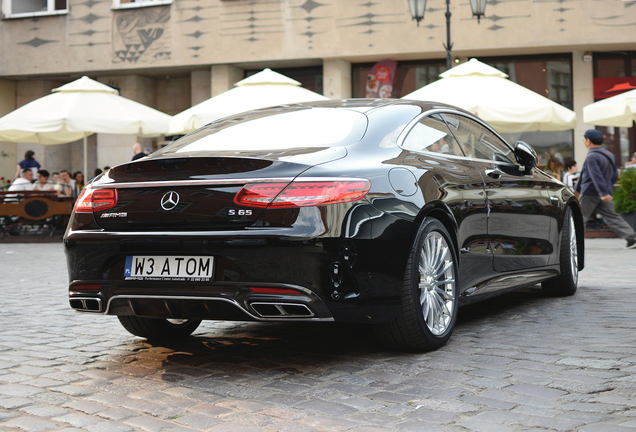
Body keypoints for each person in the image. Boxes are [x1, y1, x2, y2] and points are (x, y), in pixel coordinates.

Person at [577, 129, 636, 249]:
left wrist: (602, 192)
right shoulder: (609, 155)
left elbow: (595, 175)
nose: (583, 141)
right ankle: (631, 238)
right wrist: (606, 190)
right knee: (613, 217)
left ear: (588, 141)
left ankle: (573, 242)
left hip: (590, 192)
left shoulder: (591, 156)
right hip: (604, 193)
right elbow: (614, 175)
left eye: (584, 139)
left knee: (580, 217)